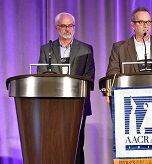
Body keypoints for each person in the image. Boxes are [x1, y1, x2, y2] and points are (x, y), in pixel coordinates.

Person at [37, 12, 95, 164]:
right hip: (53, 104)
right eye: (64, 26)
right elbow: (41, 74)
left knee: (76, 144)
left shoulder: (86, 49)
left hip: (78, 103)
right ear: (57, 28)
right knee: (54, 143)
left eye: (70, 26)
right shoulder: (46, 49)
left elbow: (89, 78)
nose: (68, 29)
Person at [106, 7, 152, 76]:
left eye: (148, 22)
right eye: (141, 22)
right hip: (131, 89)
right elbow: (112, 73)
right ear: (132, 25)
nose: (146, 26)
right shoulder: (119, 48)